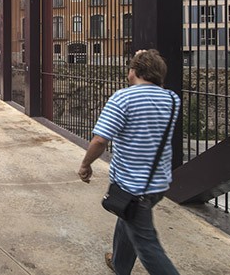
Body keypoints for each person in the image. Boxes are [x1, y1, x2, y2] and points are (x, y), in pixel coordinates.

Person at [76, 49, 180, 275]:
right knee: (127, 218)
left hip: (133, 187)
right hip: (158, 183)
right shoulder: (172, 99)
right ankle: (120, 264)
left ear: (133, 71)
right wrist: (146, 60)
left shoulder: (123, 98)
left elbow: (100, 139)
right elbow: (154, 92)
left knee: (149, 247)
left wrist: (85, 164)